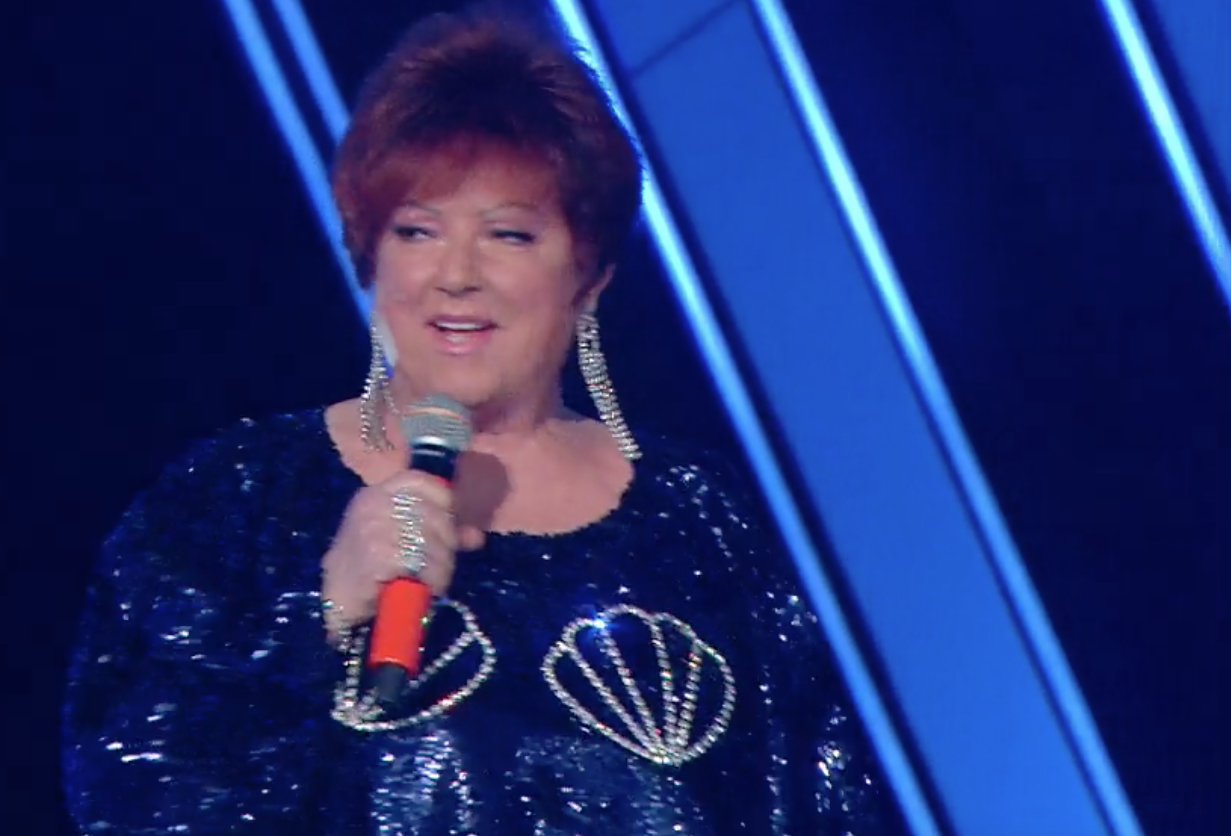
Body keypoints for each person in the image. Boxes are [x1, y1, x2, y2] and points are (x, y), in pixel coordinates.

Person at [61, 5, 907, 834]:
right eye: (416, 231)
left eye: (507, 235)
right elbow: (137, 787)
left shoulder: (698, 518)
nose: (456, 274)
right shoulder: (237, 501)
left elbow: (821, 801)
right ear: (369, 253)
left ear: (590, 273)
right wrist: (316, 614)